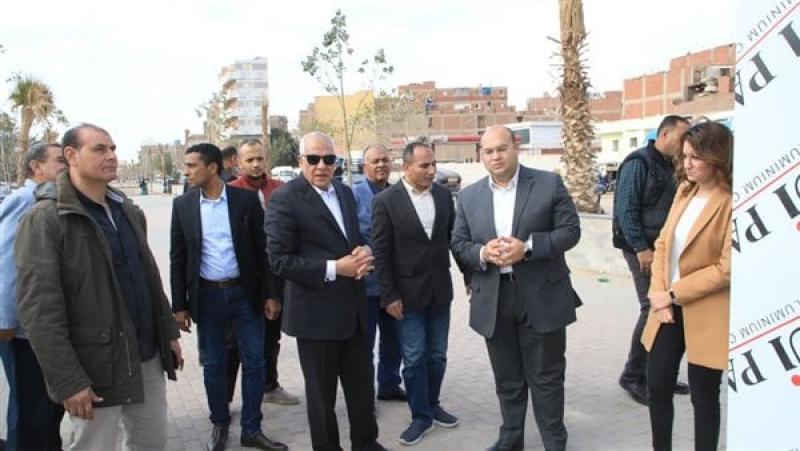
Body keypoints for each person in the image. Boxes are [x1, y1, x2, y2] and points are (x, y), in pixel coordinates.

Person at [14, 124, 183, 450]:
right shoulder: (46, 219)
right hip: (93, 368)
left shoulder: (127, 210)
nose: (111, 156)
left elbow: (147, 277)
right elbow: (39, 311)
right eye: (99, 149)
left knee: (152, 443)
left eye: (113, 149)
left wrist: (168, 333)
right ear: (71, 155)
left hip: (146, 357)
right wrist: (68, 381)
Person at [451, 125, 582, 451]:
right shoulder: (468, 196)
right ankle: (511, 439)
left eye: (501, 148)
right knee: (507, 379)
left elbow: (570, 231)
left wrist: (529, 248)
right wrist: (483, 253)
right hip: (494, 298)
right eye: (488, 151)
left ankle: (555, 443)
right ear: (481, 155)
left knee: (547, 378)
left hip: (541, 296)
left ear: (516, 147)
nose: (495, 156)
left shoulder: (548, 184)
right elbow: (459, 243)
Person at [265, 132, 386, 451]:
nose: (321, 166)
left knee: (362, 392)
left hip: (354, 314)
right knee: (322, 400)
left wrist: (363, 253)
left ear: (337, 162)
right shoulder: (284, 199)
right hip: (315, 319)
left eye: (328, 159)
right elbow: (279, 261)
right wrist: (335, 268)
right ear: (300, 161)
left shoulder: (345, 193)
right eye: (313, 159)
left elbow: (351, 241)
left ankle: (367, 444)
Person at [170, 143, 286, 451]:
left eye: (192, 165)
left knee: (255, 362)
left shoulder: (245, 201)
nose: (186, 171)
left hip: (246, 295)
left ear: (212, 168)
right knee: (213, 364)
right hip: (208, 296)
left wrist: (272, 294)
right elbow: (177, 258)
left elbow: (263, 250)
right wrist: (179, 306)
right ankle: (220, 424)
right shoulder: (183, 206)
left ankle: (252, 429)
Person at [642, 121, 733, 451]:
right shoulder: (684, 191)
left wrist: (672, 294)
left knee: (704, 395)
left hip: (705, 311)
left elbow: (725, 268)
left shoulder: (731, 203)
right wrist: (658, 294)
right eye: (684, 156)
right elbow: (663, 243)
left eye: (695, 157)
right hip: (666, 308)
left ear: (717, 156)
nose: (687, 164)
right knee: (657, 385)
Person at [371, 141, 461, 445]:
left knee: (437, 355)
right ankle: (420, 416)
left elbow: (453, 239)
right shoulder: (386, 201)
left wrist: (471, 276)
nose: (432, 170)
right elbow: (381, 252)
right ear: (406, 167)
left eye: (433, 164)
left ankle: (433, 405)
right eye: (425, 166)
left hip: (440, 291)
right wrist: (389, 296)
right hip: (406, 296)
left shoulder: (444, 196)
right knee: (413, 357)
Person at [612, 115, 691, 405]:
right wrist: (640, 247)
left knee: (670, 307)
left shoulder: (671, 164)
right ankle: (633, 375)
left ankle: (661, 374)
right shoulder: (639, 163)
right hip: (643, 249)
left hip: (664, 248)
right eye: (682, 137)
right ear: (665, 134)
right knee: (652, 308)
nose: (686, 143)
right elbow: (626, 209)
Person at [0, 143, 66, 450]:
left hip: (44, 330)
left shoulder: (51, 200)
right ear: (36, 167)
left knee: (48, 409)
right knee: (29, 411)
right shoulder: (26, 200)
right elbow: (6, 264)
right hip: (22, 333)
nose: (66, 165)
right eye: (59, 161)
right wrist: (5, 320)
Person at [228, 139, 299, 406]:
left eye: (259, 158)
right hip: (243, 278)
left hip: (277, 275)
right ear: (239, 162)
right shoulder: (230, 192)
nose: (256, 164)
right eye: (250, 160)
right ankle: (225, 398)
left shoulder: (281, 189)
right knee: (234, 343)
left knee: (271, 337)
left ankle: (270, 386)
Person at [351, 144, 405, 403]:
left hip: (395, 284)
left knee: (394, 340)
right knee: (365, 343)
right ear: (365, 167)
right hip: (368, 284)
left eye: (385, 160)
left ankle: (389, 384)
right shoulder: (354, 196)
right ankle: (364, 397)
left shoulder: (399, 194)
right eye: (375, 161)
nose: (381, 164)